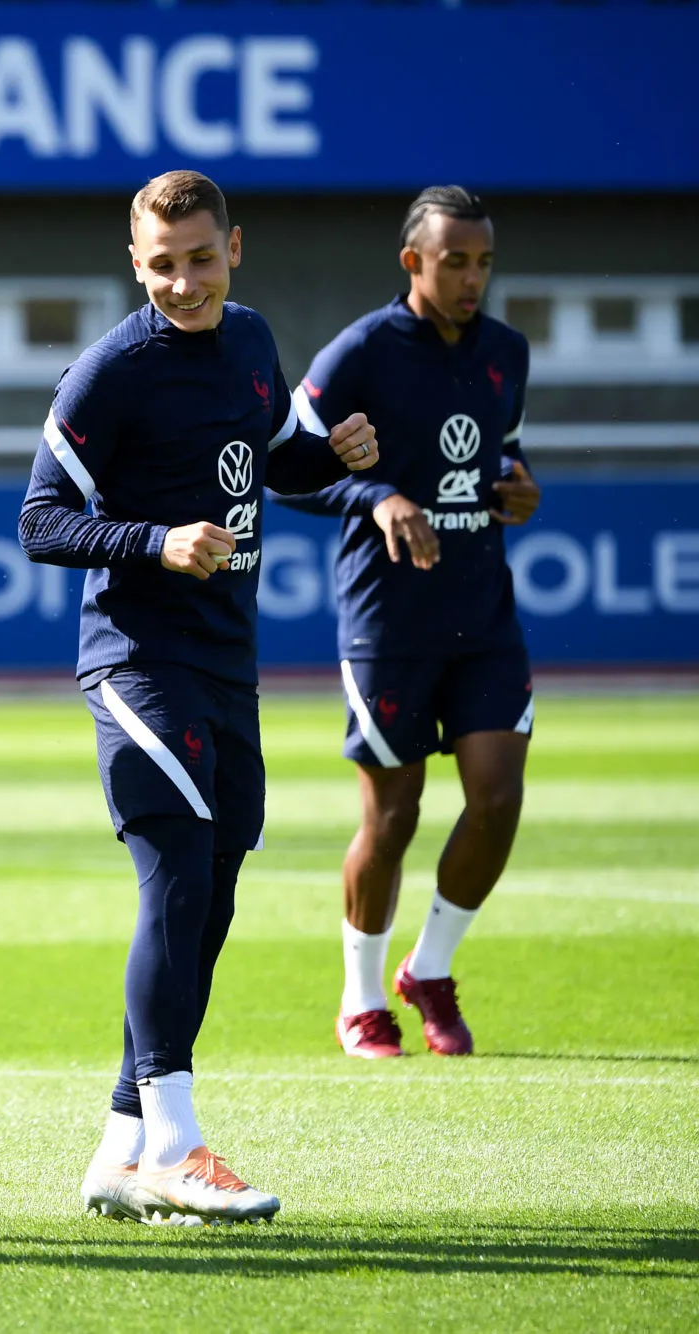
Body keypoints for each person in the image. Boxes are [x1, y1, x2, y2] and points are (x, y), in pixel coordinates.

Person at [19, 171, 380, 1225]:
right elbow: (39, 520)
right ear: (134, 263)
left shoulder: (251, 342)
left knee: (210, 892)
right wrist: (151, 540)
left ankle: (121, 1144)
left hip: (226, 658)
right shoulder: (110, 372)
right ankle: (177, 1144)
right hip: (134, 656)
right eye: (160, 264)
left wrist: (334, 458)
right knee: (176, 878)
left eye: (199, 258)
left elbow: (264, 464)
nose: (181, 281)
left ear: (234, 247)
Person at [276, 186, 540, 1060]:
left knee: (497, 799)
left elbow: (502, 449)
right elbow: (287, 470)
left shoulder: (507, 352)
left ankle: (429, 969)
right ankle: (360, 1001)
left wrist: (519, 485)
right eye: (455, 261)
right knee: (393, 817)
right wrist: (376, 493)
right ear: (412, 261)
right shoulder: (363, 351)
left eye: (484, 262)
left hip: (483, 614)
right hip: (386, 619)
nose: (473, 279)